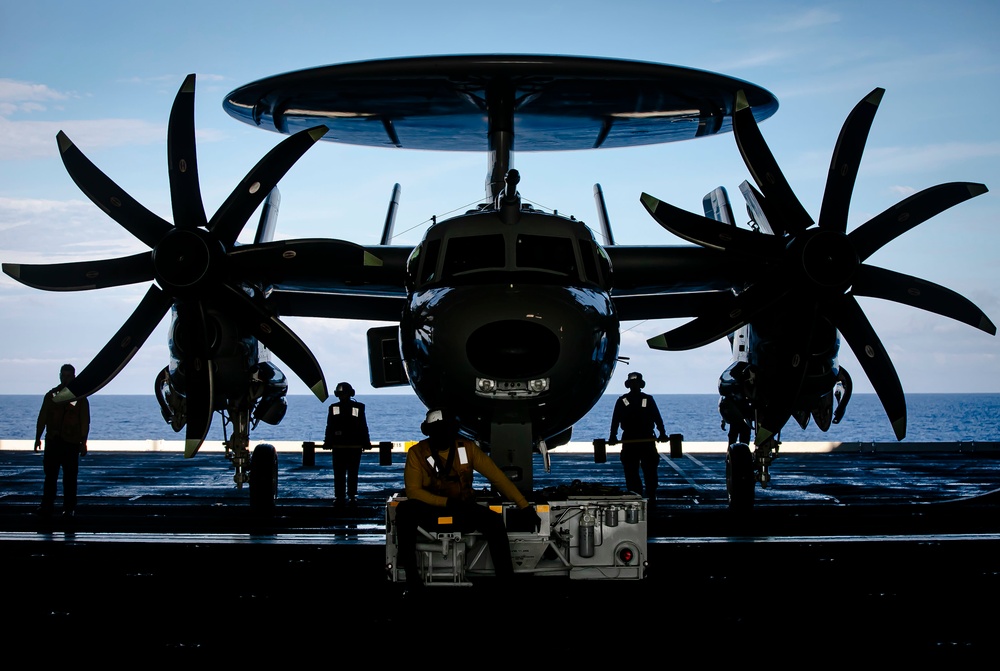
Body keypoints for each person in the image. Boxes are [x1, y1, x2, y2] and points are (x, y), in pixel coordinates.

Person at [394, 408, 541, 591]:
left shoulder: (468, 448)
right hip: (431, 511)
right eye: (437, 430)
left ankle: (506, 583)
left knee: (494, 522)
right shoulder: (417, 453)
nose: (441, 434)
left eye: (445, 429)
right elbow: (413, 492)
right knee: (404, 511)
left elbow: (498, 478)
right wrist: (446, 503)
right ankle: (412, 579)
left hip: (462, 510)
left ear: (453, 430)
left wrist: (524, 506)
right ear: (429, 432)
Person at [34, 364, 90, 517]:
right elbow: (43, 417)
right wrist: (38, 437)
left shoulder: (80, 399)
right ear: (60, 376)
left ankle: (69, 507)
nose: (65, 379)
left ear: (74, 377)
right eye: (63, 376)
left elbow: (84, 421)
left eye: (68, 376)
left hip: (71, 443)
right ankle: (47, 505)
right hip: (53, 441)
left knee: (70, 477)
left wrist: (83, 442)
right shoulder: (51, 396)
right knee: (50, 476)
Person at [608, 371, 666, 502]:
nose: (634, 386)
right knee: (631, 470)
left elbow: (657, 417)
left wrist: (662, 432)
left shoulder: (647, 399)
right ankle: (636, 494)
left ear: (640, 385)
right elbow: (615, 420)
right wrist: (612, 435)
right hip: (631, 440)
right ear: (629, 385)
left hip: (645, 439)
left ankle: (651, 493)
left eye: (636, 383)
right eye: (633, 383)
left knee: (650, 470)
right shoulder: (622, 401)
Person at [324, 382, 372, 506]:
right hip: (350, 446)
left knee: (346, 472)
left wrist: (328, 441)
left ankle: (347, 495)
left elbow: (362, 425)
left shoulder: (354, 407)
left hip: (345, 446)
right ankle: (346, 496)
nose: (342, 396)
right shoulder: (356, 407)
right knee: (347, 472)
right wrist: (366, 442)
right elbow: (330, 426)